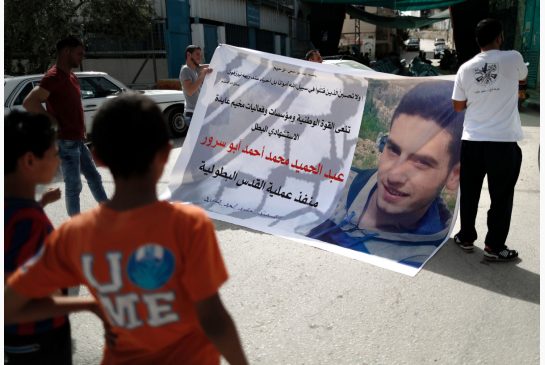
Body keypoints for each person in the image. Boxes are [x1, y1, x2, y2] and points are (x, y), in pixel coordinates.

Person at [5, 93, 249, 365]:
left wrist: (89, 304)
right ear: (166, 154)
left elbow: (8, 306)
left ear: (96, 157)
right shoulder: (189, 224)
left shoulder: (73, 234)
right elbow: (213, 318)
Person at [307, 81, 464, 267]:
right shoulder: (335, 184)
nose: (394, 176)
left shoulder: (426, 262)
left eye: (421, 162)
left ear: (454, 175)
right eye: (393, 150)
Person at [451, 18, 527, 261]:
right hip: (503, 143)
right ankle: (494, 246)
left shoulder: (464, 68)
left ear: (477, 41)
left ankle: (465, 236)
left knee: (471, 192)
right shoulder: (513, 58)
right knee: (501, 197)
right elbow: (522, 77)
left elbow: (458, 106)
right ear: (500, 37)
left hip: (472, 141)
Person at [4, 111, 71, 364]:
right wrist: (91, 305)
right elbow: (14, 303)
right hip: (39, 340)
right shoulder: (28, 220)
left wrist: (41, 202)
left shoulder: (12, 208)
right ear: (29, 161)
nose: (58, 160)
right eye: (54, 154)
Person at [23, 35, 107, 217]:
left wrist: (82, 129)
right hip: (65, 142)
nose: (82, 57)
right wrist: (50, 120)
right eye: (79, 53)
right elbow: (30, 102)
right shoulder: (53, 77)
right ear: (66, 51)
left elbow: (75, 106)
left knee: (94, 177)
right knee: (74, 185)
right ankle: (75, 225)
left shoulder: (71, 77)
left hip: (77, 140)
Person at [179, 45, 214, 127]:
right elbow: (190, 91)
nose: (200, 57)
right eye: (197, 54)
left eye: (200, 55)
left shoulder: (194, 69)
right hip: (192, 114)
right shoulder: (185, 70)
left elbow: (209, 66)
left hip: (197, 113)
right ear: (189, 55)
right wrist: (202, 75)